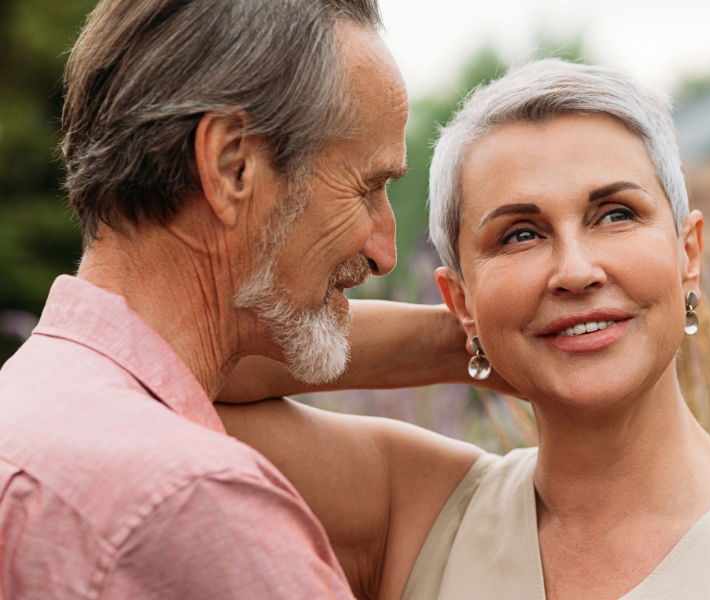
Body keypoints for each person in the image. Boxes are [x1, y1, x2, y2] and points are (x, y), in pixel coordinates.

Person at [217, 59, 710, 599]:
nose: (575, 270)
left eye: (615, 215)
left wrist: (516, 333)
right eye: (520, 235)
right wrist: (469, 342)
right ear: (458, 295)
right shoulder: (414, 510)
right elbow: (185, 361)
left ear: (688, 254)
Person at [0, 1, 484, 597]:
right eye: (367, 186)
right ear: (232, 166)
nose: (386, 250)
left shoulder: (28, 415)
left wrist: (468, 342)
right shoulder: (200, 505)